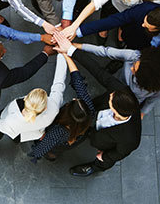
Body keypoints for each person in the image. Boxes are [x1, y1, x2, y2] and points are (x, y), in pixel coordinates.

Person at [60, 36, 142, 177]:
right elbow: (98, 72)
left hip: (101, 141)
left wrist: (105, 157)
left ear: (115, 109)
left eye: (111, 99)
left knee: (104, 161)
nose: (109, 95)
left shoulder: (130, 138)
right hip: (92, 116)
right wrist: (71, 50)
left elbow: (120, 153)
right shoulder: (123, 91)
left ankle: (94, 168)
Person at [0, 54, 68, 152]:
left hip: (12, 127)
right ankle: (14, 141)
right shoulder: (54, 107)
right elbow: (59, 81)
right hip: (26, 134)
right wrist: (63, 54)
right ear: (44, 108)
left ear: (25, 99)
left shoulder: (11, 119)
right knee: (16, 136)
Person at [73, 2, 160, 69]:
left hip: (153, 57)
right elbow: (114, 20)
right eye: (144, 21)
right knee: (127, 50)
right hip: (134, 39)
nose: (143, 25)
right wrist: (77, 31)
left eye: (147, 26)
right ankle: (120, 60)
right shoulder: (144, 9)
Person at [27, 42, 95, 162]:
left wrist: (36, 153)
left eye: (73, 102)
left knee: (51, 150)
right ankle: (53, 156)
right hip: (74, 140)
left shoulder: (58, 131)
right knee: (56, 150)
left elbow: (43, 147)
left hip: (57, 143)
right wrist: (66, 54)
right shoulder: (88, 111)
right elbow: (79, 84)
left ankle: (51, 156)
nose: (75, 98)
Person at [68, 43, 160, 119]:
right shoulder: (134, 56)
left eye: (135, 71)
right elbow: (105, 51)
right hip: (115, 80)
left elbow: (150, 102)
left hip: (128, 99)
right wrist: (78, 46)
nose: (132, 68)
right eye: (134, 66)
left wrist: (141, 113)